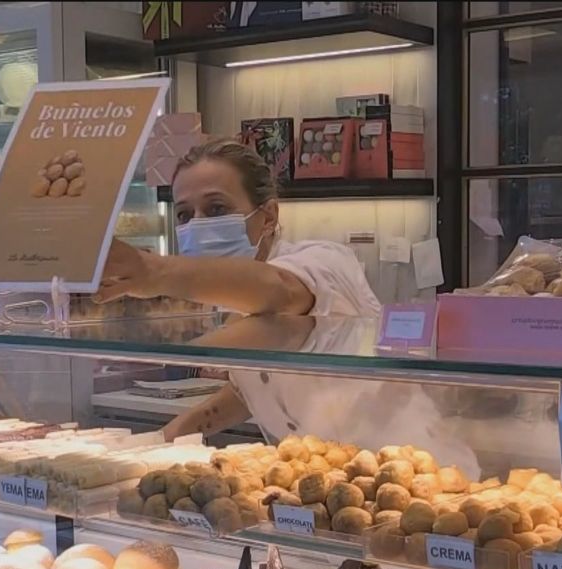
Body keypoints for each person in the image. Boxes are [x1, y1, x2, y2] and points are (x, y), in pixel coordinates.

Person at [95, 138, 383, 441]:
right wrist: (159, 441)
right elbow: (250, 389)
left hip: (394, 454)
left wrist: (155, 271)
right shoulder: (229, 297)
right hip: (318, 462)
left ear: (268, 217)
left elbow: (281, 291)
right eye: (184, 215)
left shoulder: (325, 261)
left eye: (216, 208)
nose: (197, 225)